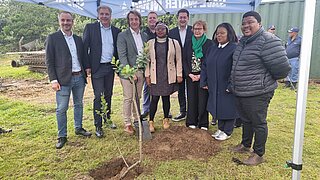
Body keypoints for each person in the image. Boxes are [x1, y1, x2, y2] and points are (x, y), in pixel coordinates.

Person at [230, 11, 290, 165]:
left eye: (250, 22)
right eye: (243, 23)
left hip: (258, 92)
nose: (246, 26)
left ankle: (258, 154)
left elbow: (282, 69)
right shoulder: (244, 41)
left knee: (258, 122)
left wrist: (263, 83)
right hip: (242, 90)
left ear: (259, 24)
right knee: (246, 120)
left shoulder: (268, 41)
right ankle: (245, 145)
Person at [46, 11, 92, 149]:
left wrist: (87, 68)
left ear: (73, 22)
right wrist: (53, 79)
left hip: (79, 77)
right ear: (59, 21)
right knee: (61, 108)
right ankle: (62, 136)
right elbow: (49, 60)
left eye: (68, 20)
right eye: (63, 20)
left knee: (79, 104)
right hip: (62, 79)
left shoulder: (78, 39)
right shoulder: (53, 38)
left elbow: (83, 56)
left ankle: (78, 128)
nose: (66, 23)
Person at [83, 5, 121, 138]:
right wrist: (87, 66)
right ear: (98, 15)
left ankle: (107, 118)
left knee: (109, 94)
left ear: (111, 16)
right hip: (97, 68)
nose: (104, 16)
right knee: (98, 97)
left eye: (107, 14)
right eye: (102, 14)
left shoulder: (116, 31)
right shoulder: (90, 28)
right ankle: (98, 125)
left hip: (110, 67)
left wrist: (118, 67)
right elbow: (85, 48)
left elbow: (117, 50)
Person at [201, 23, 238, 140]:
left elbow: (236, 68)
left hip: (226, 84)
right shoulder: (213, 48)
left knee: (228, 107)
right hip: (214, 85)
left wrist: (231, 84)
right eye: (217, 33)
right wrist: (204, 81)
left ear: (229, 34)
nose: (219, 36)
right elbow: (205, 65)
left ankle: (227, 131)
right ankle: (221, 128)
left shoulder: (234, 48)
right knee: (217, 106)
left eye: (222, 33)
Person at [145, 21, 183, 132]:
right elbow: (146, 61)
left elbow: (178, 59)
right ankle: (151, 121)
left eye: (162, 29)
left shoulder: (174, 43)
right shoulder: (150, 43)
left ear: (166, 30)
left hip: (168, 74)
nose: (160, 31)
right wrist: (147, 76)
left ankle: (166, 119)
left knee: (166, 97)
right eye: (158, 29)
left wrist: (179, 74)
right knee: (154, 98)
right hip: (155, 75)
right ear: (155, 30)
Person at [117, 10, 148, 135]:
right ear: (128, 21)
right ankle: (127, 123)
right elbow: (122, 56)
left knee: (138, 97)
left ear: (139, 20)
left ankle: (137, 119)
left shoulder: (144, 36)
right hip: (127, 72)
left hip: (141, 71)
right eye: (131, 19)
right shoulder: (122, 36)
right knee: (129, 97)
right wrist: (130, 72)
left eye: (136, 19)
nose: (134, 22)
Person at [184, 20, 212, 130]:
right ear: (192, 30)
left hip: (203, 76)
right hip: (191, 76)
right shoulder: (188, 42)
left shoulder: (209, 43)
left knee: (203, 99)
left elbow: (209, 61)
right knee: (191, 99)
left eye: (200, 29)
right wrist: (189, 74)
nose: (197, 31)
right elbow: (184, 60)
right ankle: (191, 121)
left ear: (204, 30)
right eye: (195, 29)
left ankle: (203, 123)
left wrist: (201, 76)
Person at [169, 9, 193, 122]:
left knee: (192, 90)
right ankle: (183, 112)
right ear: (177, 18)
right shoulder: (172, 32)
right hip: (177, 66)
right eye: (180, 17)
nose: (182, 19)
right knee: (181, 90)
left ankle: (192, 112)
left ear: (188, 18)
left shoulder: (194, 30)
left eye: (185, 17)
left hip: (191, 66)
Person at [141, 11, 158, 119]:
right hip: (147, 63)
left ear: (157, 19)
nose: (152, 20)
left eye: (154, 18)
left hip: (160, 64)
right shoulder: (143, 33)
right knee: (147, 87)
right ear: (147, 20)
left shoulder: (161, 30)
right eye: (150, 18)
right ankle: (146, 108)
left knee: (161, 87)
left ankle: (166, 110)